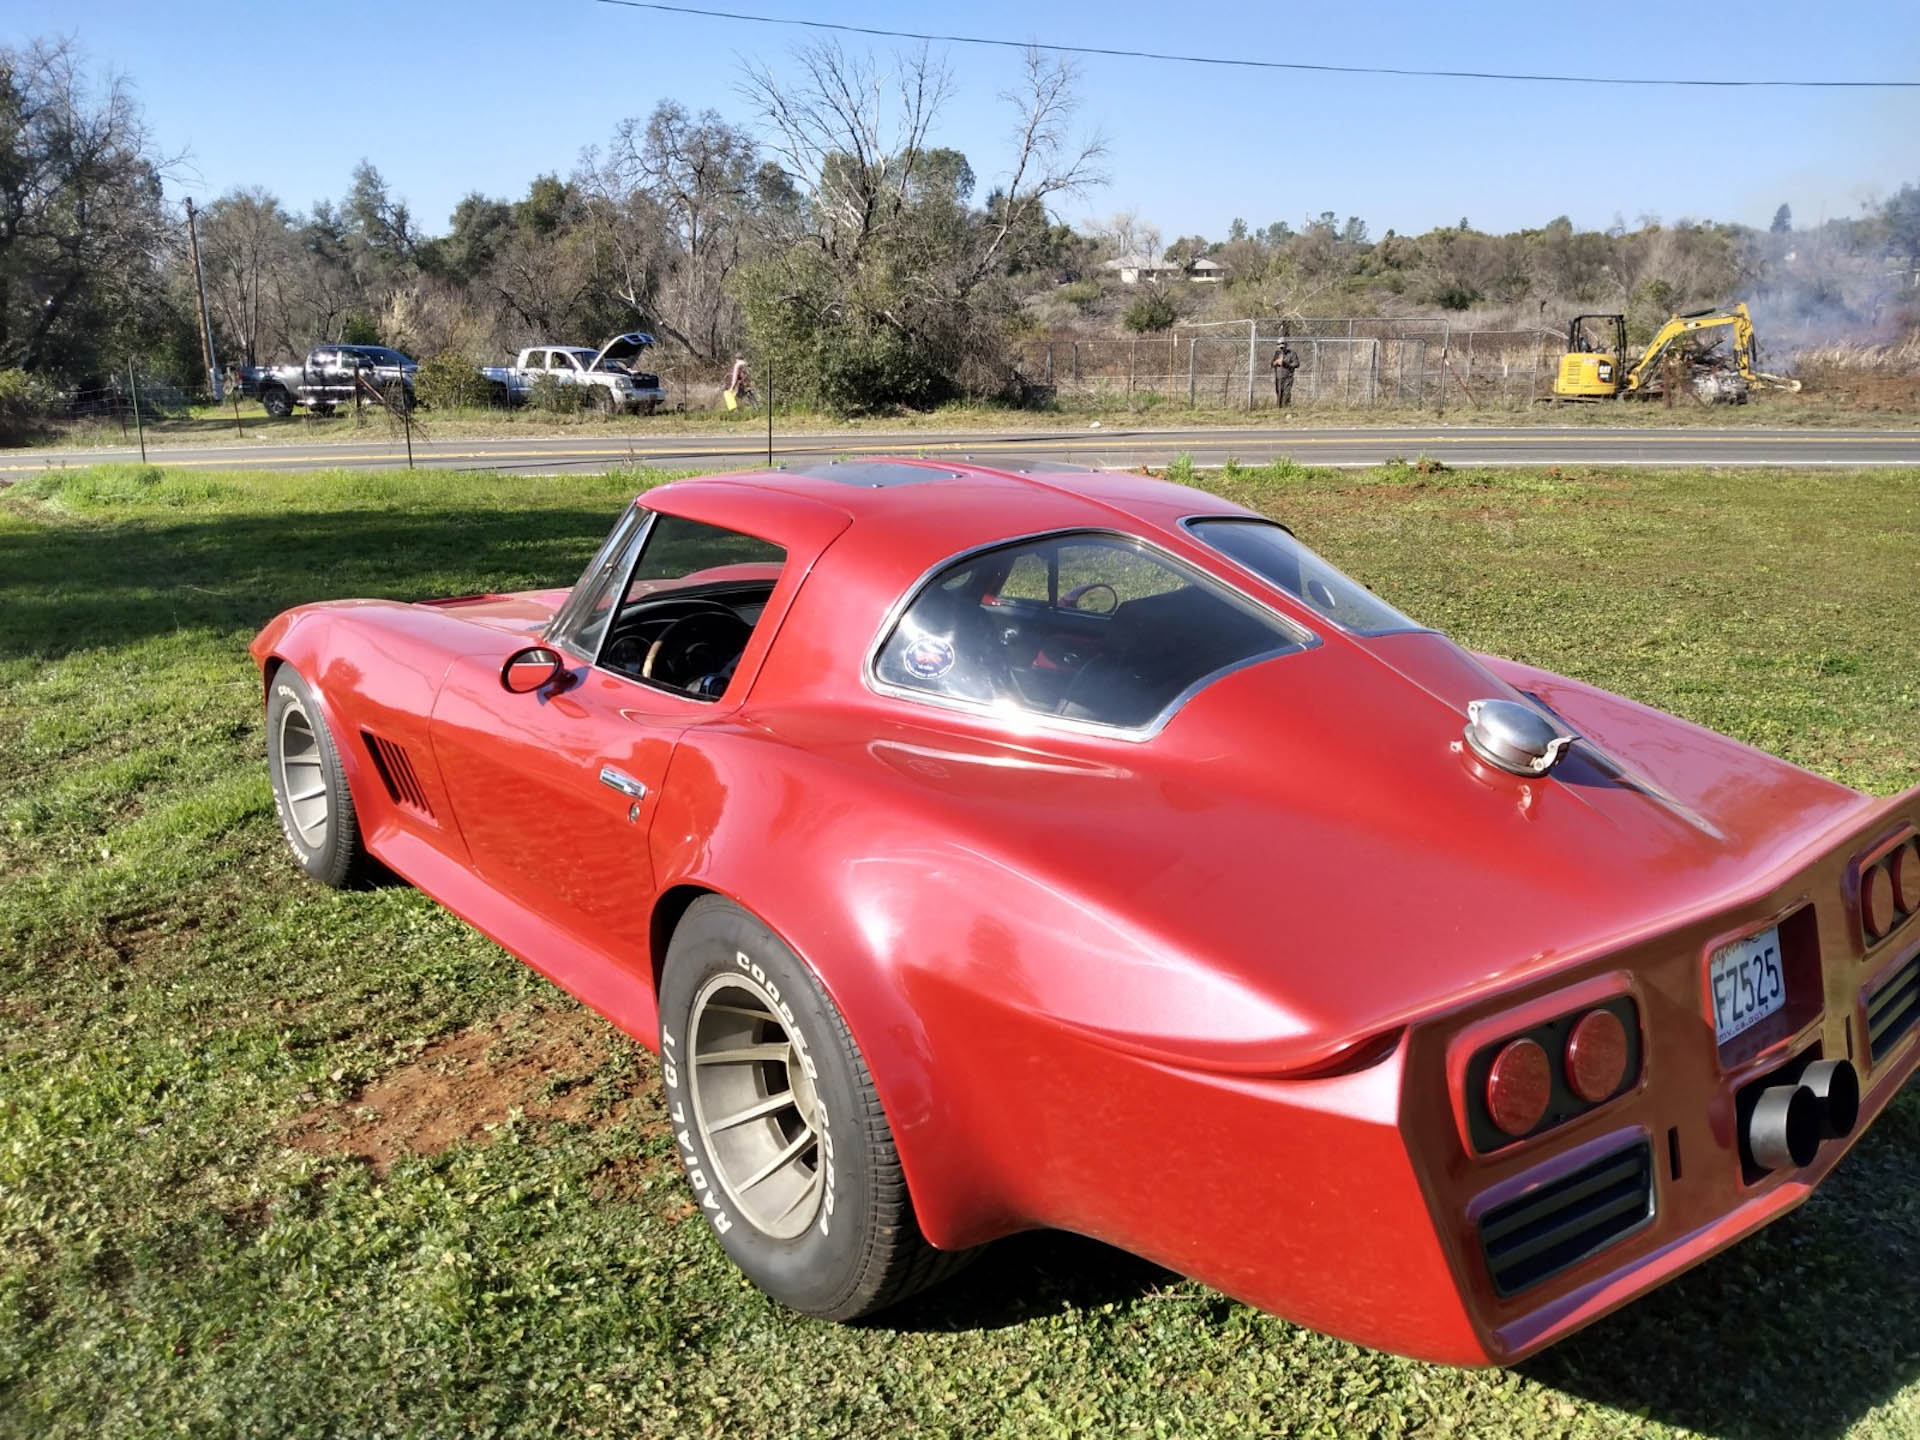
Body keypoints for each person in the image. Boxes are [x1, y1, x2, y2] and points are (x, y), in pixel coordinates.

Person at [1271, 342, 1300, 408]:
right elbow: (1272, 364)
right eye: (1280, 347)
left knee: (1286, 393)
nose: (1281, 349)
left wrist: (1285, 363)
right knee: (1279, 393)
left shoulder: (1292, 353)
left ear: (1286, 346)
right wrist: (1275, 362)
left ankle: (1286, 407)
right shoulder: (1277, 353)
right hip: (1278, 377)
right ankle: (1279, 408)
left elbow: (1296, 364)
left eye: (1282, 347)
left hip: (1288, 377)